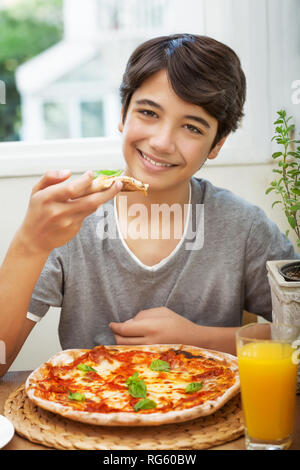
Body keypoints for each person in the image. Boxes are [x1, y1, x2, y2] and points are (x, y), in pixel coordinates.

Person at [0, 34, 298, 376]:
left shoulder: (245, 228)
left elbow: (295, 333)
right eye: (148, 112)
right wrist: (30, 243)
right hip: (90, 412)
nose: (161, 142)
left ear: (217, 144)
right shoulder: (70, 220)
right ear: (123, 114)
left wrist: (196, 339)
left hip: (214, 420)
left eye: (192, 127)